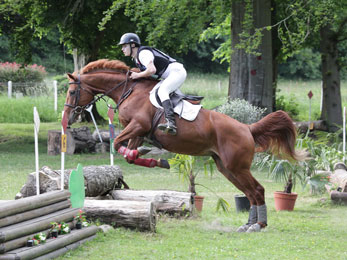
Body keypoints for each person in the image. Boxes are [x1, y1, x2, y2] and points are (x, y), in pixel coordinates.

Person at [118, 32, 187, 136]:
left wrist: (138, 75)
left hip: (176, 72)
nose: (122, 49)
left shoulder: (143, 54)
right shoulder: (136, 58)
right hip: (169, 75)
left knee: (163, 91)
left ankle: (171, 123)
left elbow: (152, 70)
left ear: (133, 45)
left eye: (124, 46)